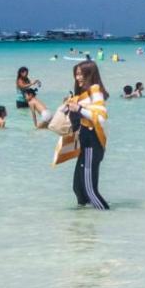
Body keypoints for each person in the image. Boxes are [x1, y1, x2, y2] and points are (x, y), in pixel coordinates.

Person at [55, 61, 111, 210]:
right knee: (78, 189)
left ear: (90, 74)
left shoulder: (95, 91)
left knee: (89, 190)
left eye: (81, 74)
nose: (78, 77)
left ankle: (107, 217)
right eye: (76, 74)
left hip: (92, 144)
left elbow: (101, 118)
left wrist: (78, 108)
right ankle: (84, 224)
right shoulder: (82, 94)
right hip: (85, 144)